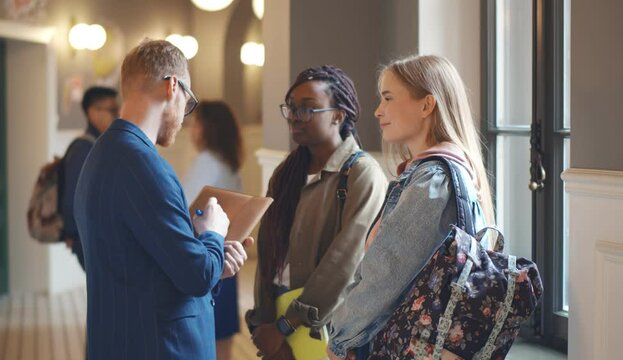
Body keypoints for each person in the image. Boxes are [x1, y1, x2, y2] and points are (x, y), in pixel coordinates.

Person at [74, 39, 250, 360]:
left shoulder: (101, 153)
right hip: (158, 346)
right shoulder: (144, 165)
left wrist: (214, 262)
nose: (185, 116)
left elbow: (142, 260)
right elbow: (195, 276)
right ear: (172, 86)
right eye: (188, 101)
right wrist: (212, 232)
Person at [327, 55, 495, 359]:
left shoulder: (433, 179)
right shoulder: (447, 171)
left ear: (426, 105)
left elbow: (385, 273)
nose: (378, 110)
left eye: (388, 98)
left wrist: (340, 337)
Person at [246, 65, 388, 359]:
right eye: (292, 108)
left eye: (309, 109)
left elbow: (344, 264)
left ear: (338, 115)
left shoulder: (361, 174)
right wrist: (265, 322)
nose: (296, 117)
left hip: (326, 330)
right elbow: (268, 251)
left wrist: (287, 326)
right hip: (278, 325)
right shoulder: (286, 173)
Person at [183, 100, 244, 360]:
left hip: (206, 257)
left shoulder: (207, 162)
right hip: (226, 254)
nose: (191, 130)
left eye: (195, 124)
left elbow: (184, 209)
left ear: (207, 128)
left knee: (207, 339)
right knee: (223, 340)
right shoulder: (229, 164)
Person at [61, 86, 118, 270]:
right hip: (90, 243)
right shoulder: (84, 149)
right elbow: (72, 200)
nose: (118, 115)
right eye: (112, 110)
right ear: (93, 112)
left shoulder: (101, 145)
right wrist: (74, 236)